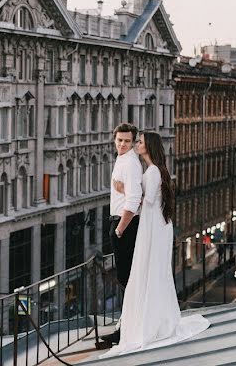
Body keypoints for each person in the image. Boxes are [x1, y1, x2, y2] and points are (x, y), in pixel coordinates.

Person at [103, 132, 210, 357]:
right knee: (155, 273)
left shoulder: (152, 172)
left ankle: (148, 323)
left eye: (139, 142)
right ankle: (154, 318)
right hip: (158, 226)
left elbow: (146, 200)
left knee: (149, 271)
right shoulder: (156, 170)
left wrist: (123, 190)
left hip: (152, 228)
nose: (136, 145)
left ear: (148, 146)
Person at [100, 123, 143, 346]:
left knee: (126, 279)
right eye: (119, 140)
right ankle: (124, 327)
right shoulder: (123, 160)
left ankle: (124, 330)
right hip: (120, 223)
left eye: (127, 141)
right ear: (114, 140)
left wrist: (119, 229)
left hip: (124, 225)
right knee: (125, 278)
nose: (122, 144)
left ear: (134, 142)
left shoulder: (131, 163)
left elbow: (135, 200)